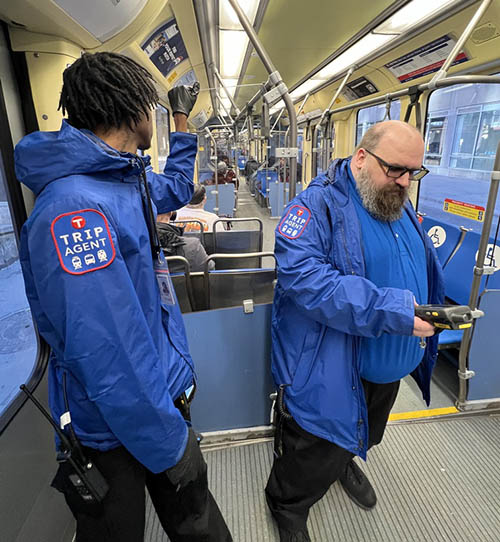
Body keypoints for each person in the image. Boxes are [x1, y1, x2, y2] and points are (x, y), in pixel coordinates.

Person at [15, 52, 232, 542]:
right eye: (152, 103)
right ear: (129, 106)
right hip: (111, 427)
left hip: (155, 397)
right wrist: (171, 443)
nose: (154, 113)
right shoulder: (73, 210)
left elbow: (175, 186)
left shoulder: (124, 178)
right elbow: (109, 353)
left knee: (200, 528)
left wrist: (181, 119)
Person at [265, 120, 444, 542]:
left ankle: (344, 459)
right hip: (334, 367)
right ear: (361, 157)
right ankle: (286, 503)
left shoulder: (395, 203)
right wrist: (394, 310)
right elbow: (307, 279)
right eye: (395, 169)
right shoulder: (315, 208)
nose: (404, 182)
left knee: (361, 432)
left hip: (390, 361)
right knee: (311, 451)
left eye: (413, 172)